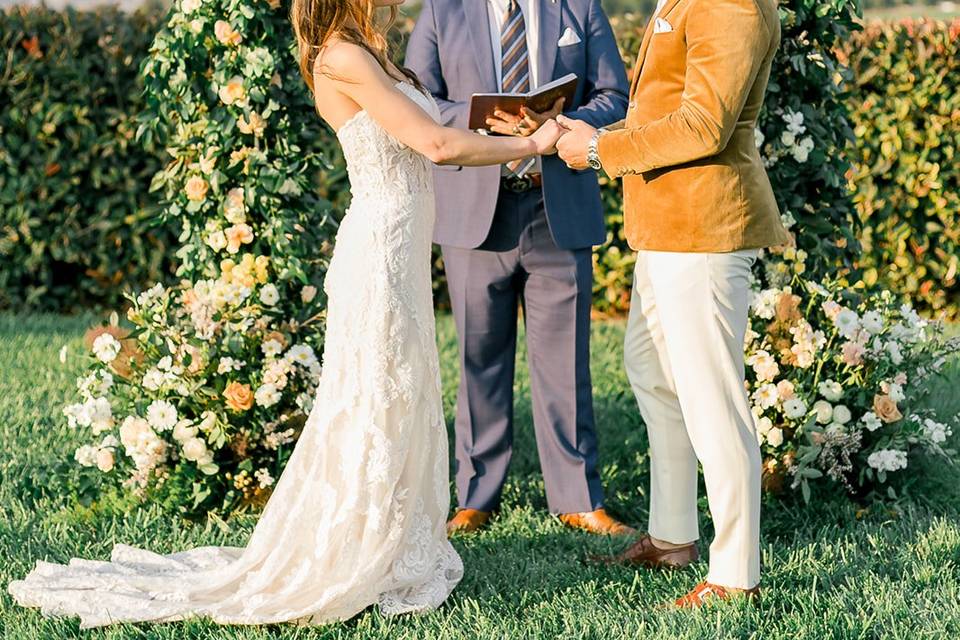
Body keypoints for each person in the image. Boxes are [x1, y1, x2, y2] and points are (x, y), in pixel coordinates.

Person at [7, 0, 566, 628]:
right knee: (375, 395)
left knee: (401, 393)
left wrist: (490, 114)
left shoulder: (370, 53)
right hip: (378, 252)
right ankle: (354, 549)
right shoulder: (343, 56)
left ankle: (391, 540)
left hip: (403, 251)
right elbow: (434, 144)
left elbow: (436, 117)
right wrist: (532, 142)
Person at [555, 0, 790, 608]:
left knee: (712, 399)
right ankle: (672, 536)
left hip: (704, 229)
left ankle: (735, 574)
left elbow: (705, 124)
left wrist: (602, 149)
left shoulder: (729, 4)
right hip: (665, 228)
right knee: (653, 374)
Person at [406, 0, 632, 536]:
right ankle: (476, 495)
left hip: (557, 207)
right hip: (475, 211)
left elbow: (614, 96)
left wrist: (562, 122)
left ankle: (579, 498)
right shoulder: (442, 11)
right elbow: (417, 101)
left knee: (566, 363)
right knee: (477, 359)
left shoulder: (578, 7)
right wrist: (484, 119)